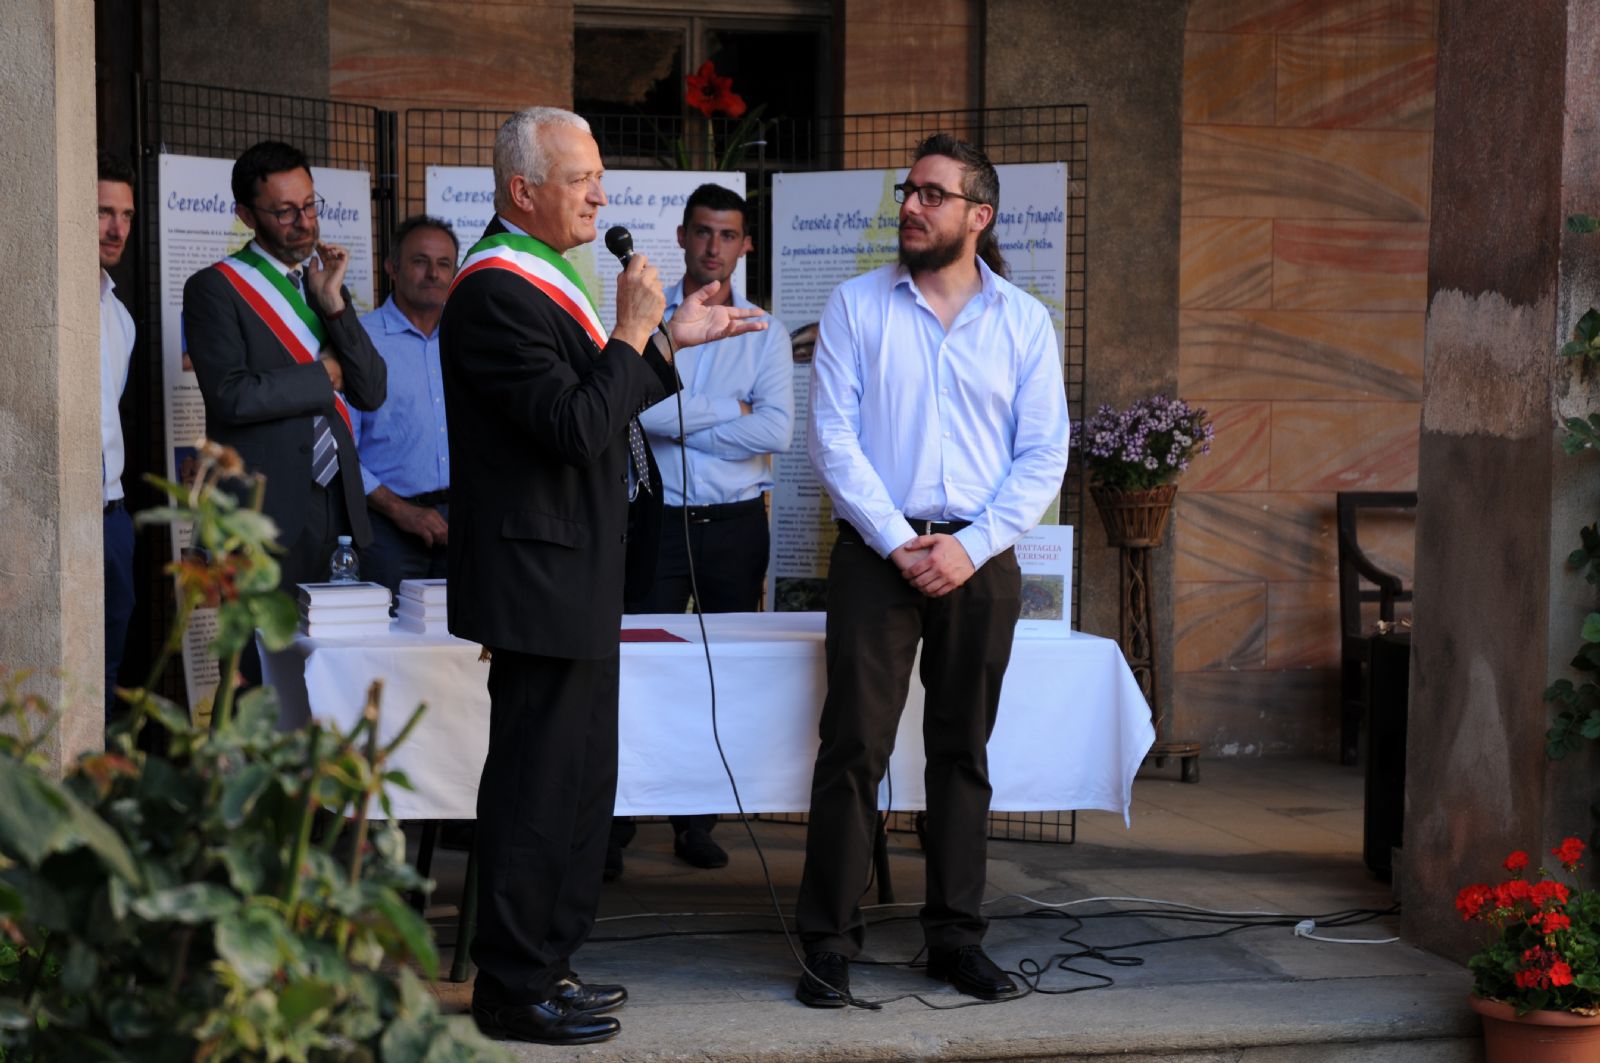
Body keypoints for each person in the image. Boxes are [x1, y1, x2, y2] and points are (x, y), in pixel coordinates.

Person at [440, 106, 765, 1046]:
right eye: (581, 178)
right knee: (537, 786)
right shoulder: (494, 293)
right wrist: (634, 331)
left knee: (582, 783)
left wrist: (669, 342)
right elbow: (580, 427)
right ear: (522, 190)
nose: (600, 194)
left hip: (580, 570)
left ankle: (550, 961)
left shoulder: (547, 281)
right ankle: (510, 984)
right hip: (537, 578)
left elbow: (597, 398)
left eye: (597, 176)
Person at [793, 133, 1070, 1008]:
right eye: (908, 192)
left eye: (931, 195)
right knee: (853, 747)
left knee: (962, 752)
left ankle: (955, 938)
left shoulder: (1023, 321)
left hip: (979, 559)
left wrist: (968, 546)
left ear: (978, 215)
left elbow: (1043, 454)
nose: (911, 206)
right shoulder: (855, 305)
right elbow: (832, 439)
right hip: (877, 555)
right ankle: (827, 941)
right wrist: (896, 539)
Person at [608, 183, 794, 877]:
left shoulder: (766, 332)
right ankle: (615, 824)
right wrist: (730, 409)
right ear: (683, 235)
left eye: (728, 234)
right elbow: (636, 411)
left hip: (736, 528)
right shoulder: (648, 322)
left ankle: (697, 822)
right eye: (703, 231)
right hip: (655, 523)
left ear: (746, 245)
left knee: (723, 678)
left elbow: (777, 430)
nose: (714, 246)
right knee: (638, 673)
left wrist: (684, 416)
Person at [183, 140, 387, 681]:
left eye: (311, 205)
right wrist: (323, 376)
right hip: (261, 513)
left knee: (334, 675)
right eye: (285, 211)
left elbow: (371, 390)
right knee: (255, 677)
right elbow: (232, 394)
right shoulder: (215, 289)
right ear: (247, 215)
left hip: (337, 507)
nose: (305, 222)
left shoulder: (322, 287)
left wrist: (335, 304)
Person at [349, 215, 458, 595]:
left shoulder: (466, 339)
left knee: (462, 633)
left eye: (444, 264)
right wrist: (400, 510)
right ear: (392, 268)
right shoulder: (360, 341)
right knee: (387, 631)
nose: (433, 274)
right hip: (385, 529)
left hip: (462, 524)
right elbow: (339, 449)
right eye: (419, 261)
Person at [98, 151, 138, 724]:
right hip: (51, 515)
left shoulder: (120, 317)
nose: (117, 229)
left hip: (113, 516)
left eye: (126, 215)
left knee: (107, 666)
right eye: (103, 212)